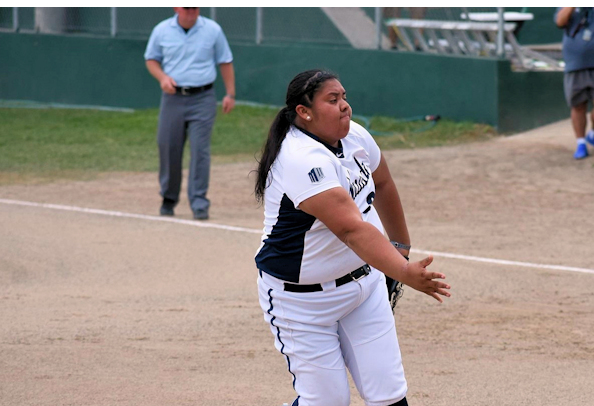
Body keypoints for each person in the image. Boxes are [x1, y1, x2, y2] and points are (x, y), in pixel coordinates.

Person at [253, 69, 451, 406]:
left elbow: (384, 181)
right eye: (333, 100)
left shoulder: (354, 137)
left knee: (390, 396)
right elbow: (351, 230)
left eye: (344, 97)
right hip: (301, 303)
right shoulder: (301, 159)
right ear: (305, 112)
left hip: (363, 288)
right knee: (327, 403)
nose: (345, 106)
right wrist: (403, 272)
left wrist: (400, 250)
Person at [144, 7, 236, 219]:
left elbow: (225, 60)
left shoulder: (213, 30)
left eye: (195, 7)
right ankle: (168, 198)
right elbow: (151, 59)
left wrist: (230, 94)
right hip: (172, 98)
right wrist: (162, 78)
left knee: (200, 151)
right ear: (176, 8)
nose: (191, 12)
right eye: (187, 8)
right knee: (168, 146)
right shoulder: (161, 30)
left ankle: (199, 202)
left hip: (202, 98)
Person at [555, 7, 594, 160]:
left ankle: (592, 134)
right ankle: (581, 143)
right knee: (577, 105)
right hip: (575, 63)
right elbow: (559, 21)